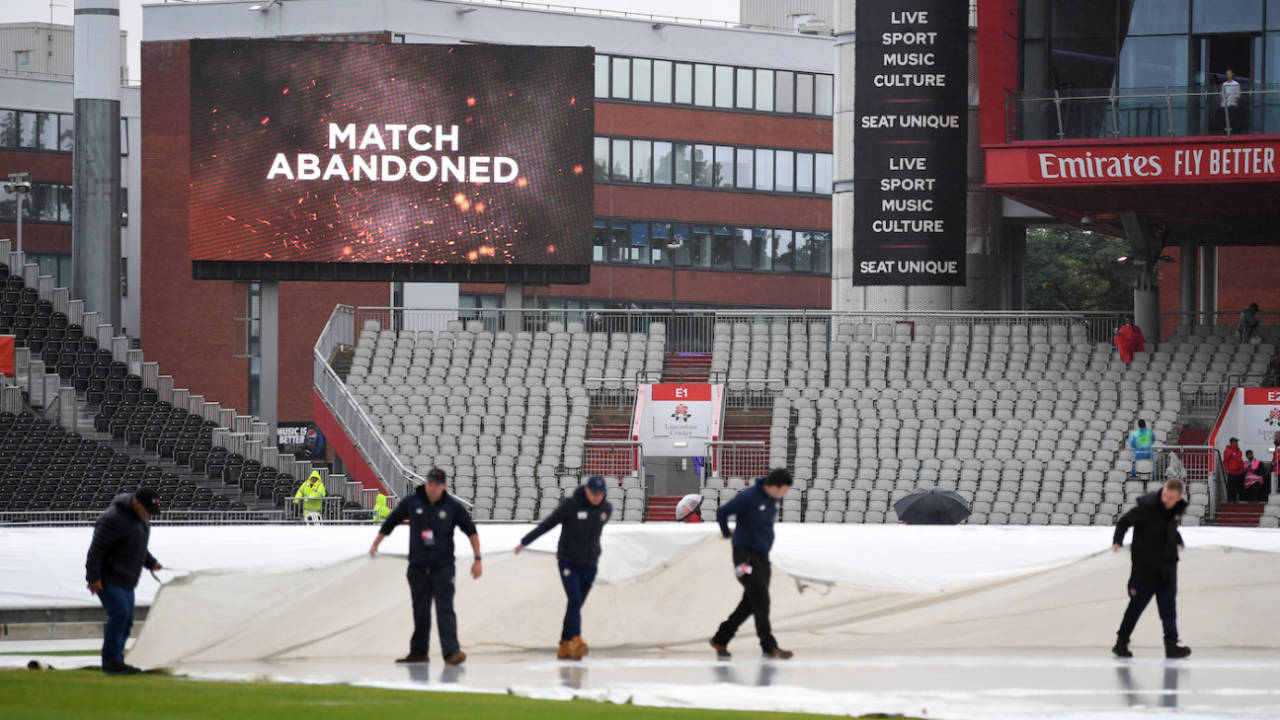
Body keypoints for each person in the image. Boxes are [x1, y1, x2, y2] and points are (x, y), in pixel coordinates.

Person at [369, 468, 481, 665]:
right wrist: (376, 543)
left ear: (444, 486)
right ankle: (419, 652)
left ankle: (451, 652)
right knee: (420, 610)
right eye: (430, 483)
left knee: (445, 609)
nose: (432, 488)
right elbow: (392, 521)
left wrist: (477, 559)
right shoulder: (413, 502)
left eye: (437, 485)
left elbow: (470, 530)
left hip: (443, 567)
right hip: (418, 567)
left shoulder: (452, 506)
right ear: (426, 483)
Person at [514, 474, 613, 661]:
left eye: (600, 494)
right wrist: (524, 542)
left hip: (590, 565)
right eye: (594, 493)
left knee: (576, 604)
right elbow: (548, 524)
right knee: (574, 600)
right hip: (568, 562)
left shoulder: (605, 509)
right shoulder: (571, 505)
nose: (597, 497)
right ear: (586, 490)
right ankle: (576, 640)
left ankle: (564, 645)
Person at [710, 468, 794, 661]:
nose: (785, 494)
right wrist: (725, 533)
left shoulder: (772, 499)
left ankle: (720, 638)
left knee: (750, 603)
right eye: (784, 490)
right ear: (775, 487)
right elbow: (722, 512)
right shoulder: (749, 497)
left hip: (762, 558)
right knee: (762, 600)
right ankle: (769, 646)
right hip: (744, 557)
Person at [85, 488, 163, 675]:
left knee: (126, 619)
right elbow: (96, 549)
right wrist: (93, 577)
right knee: (120, 613)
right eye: (148, 510)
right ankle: (111, 661)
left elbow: (138, 547)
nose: (149, 515)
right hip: (109, 577)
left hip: (128, 579)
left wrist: (151, 563)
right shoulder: (113, 519)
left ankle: (117, 658)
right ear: (137, 504)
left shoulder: (141, 520)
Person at [1111, 477, 1191, 660]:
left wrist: (1178, 540)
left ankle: (1171, 645)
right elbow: (1124, 522)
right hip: (1144, 570)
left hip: (1168, 569)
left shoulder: (1175, 511)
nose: (1166, 500)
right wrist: (1117, 541)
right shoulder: (1146, 508)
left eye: (1171, 498)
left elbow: (1168, 528)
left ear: (1178, 498)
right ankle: (1121, 643)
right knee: (1135, 608)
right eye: (1165, 495)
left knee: (1169, 610)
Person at [1223, 437, 1245, 501]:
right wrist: (1227, 469)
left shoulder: (1238, 450)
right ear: (1232, 442)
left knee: (1238, 487)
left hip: (1239, 472)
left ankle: (1236, 499)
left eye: (1236, 442)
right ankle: (1230, 499)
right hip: (1232, 472)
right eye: (1235, 442)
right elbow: (1226, 461)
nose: (1236, 443)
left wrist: (1242, 469)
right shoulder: (1228, 450)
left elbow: (1240, 461)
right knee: (1231, 487)